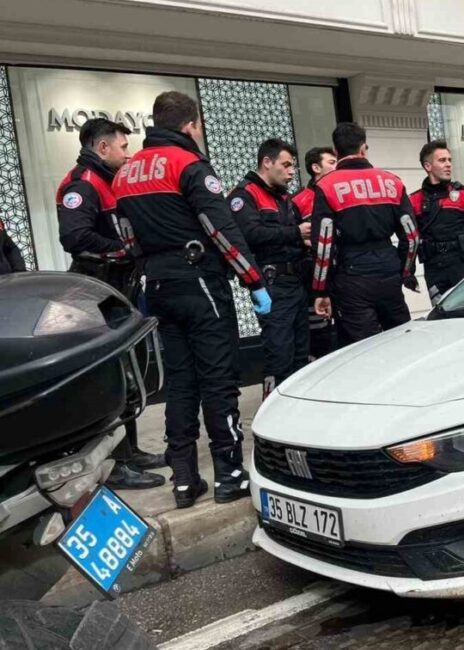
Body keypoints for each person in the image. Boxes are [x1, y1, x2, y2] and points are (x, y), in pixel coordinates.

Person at [113, 91, 271, 509]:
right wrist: (254, 280)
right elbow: (220, 229)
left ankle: (184, 480)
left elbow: (127, 238)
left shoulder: (125, 173)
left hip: (157, 286)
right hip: (200, 283)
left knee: (180, 383)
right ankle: (229, 475)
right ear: (190, 125)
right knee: (218, 379)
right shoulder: (188, 165)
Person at [56, 117, 165, 491]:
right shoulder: (83, 185)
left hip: (120, 291)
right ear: (102, 148)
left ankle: (130, 451)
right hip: (98, 292)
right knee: (110, 379)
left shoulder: (110, 180)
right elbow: (74, 237)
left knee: (128, 375)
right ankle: (115, 464)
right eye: (123, 146)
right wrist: (123, 251)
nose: (128, 153)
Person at [310, 122, 419, 346]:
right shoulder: (392, 181)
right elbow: (412, 237)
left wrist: (320, 289)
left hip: (352, 276)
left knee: (364, 349)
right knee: (402, 342)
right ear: (363, 148)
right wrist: (405, 271)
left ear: (336, 151)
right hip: (388, 272)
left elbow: (323, 245)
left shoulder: (326, 185)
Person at [229, 139, 309, 399]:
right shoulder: (244, 195)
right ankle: (272, 410)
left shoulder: (284, 197)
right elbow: (250, 235)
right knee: (279, 357)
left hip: (296, 281)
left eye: (293, 166)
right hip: (271, 285)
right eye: (286, 165)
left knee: (300, 357)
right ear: (267, 162)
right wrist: (295, 233)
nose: (291, 171)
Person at [412, 140, 464, 301]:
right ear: (428, 166)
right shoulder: (415, 200)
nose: (448, 164)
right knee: (442, 314)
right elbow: (410, 238)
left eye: (450, 160)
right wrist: (408, 272)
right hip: (435, 271)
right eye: (442, 160)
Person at [292, 147, 338, 359]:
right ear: (316, 168)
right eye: (331, 162)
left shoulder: (340, 192)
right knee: (319, 334)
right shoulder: (298, 200)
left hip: (344, 272)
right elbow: (293, 236)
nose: (337, 167)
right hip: (313, 274)